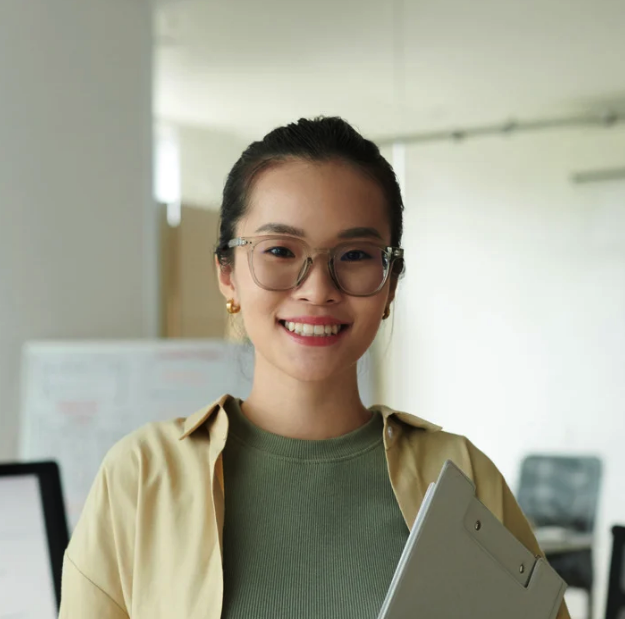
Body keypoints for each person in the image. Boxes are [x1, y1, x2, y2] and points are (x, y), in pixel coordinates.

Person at [58, 117, 570, 618]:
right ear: (227, 275)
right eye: (280, 250)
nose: (317, 288)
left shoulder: (462, 475)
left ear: (390, 284)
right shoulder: (140, 476)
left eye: (354, 255)